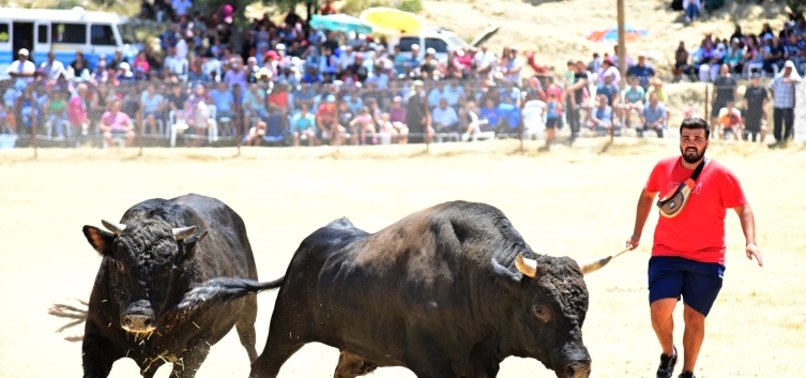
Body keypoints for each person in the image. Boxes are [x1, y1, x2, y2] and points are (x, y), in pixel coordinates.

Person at [626, 118, 762, 378]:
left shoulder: (721, 174)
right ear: (679, 140)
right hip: (667, 254)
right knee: (659, 309)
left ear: (707, 142)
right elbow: (647, 195)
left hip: (707, 259)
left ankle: (688, 372)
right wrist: (636, 233)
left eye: (697, 139)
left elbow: (743, 207)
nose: (691, 143)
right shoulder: (664, 167)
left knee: (694, 318)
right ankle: (668, 353)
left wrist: (751, 241)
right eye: (686, 138)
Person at [767, 60, 801, 148]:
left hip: (788, 105)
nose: (788, 70)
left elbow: (800, 80)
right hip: (778, 104)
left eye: (790, 69)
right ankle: (778, 139)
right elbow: (770, 86)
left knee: (788, 122)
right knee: (777, 122)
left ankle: (787, 139)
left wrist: (790, 80)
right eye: (787, 68)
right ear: (784, 68)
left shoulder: (794, 79)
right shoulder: (778, 77)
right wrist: (773, 96)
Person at [710, 64, 737, 139]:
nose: (724, 70)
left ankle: (724, 133)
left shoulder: (732, 79)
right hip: (718, 100)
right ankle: (712, 132)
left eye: (725, 69)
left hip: (728, 102)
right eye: (723, 69)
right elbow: (714, 90)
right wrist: (712, 100)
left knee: (727, 118)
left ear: (728, 69)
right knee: (714, 116)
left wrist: (734, 102)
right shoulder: (718, 79)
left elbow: (735, 91)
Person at [741, 74, 768, 143]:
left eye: (758, 79)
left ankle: (754, 141)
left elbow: (765, 101)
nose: (756, 80)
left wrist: (764, 111)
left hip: (758, 111)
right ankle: (745, 141)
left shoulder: (762, 89)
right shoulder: (749, 89)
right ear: (752, 80)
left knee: (755, 129)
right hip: (749, 111)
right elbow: (745, 100)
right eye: (755, 79)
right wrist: (745, 110)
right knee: (747, 128)